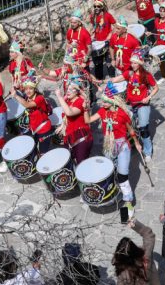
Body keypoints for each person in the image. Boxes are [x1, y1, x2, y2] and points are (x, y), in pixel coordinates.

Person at [92, 84, 139, 223]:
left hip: (122, 145)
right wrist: (84, 107)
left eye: (105, 101)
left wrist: (136, 142)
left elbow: (130, 130)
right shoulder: (102, 112)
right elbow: (88, 120)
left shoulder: (123, 114)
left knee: (123, 175)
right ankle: (114, 194)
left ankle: (129, 202)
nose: (102, 103)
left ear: (112, 101)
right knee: (110, 171)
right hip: (108, 144)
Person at [109, 51, 158, 158]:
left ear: (140, 63)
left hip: (142, 105)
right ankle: (133, 143)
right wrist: (109, 81)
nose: (133, 65)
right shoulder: (129, 73)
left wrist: (148, 97)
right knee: (128, 126)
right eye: (132, 63)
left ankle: (148, 151)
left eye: (135, 63)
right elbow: (118, 78)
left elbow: (156, 88)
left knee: (143, 128)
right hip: (130, 104)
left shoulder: (146, 75)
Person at [13, 74, 54, 152]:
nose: (28, 91)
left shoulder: (40, 98)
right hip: (34, 129)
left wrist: (15, 96)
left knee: (43, 152)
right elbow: (19, 91)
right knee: (32, 150)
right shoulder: (27, 97)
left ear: (35, 89)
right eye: (26, 89)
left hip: (44, 129)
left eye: (31, 88)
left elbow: (27, 105)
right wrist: (15, 87)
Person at [56, 80, 92, 165]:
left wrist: (59, 97)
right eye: (68, 89)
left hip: (80, 138)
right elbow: (66, 116)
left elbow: (69, 113)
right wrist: (62, 126)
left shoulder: (80, 101)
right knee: (69, 161)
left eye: (72, 89)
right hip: (69, 138)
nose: (68, 91)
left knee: (81, 165)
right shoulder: (68, 101)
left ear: (77, 91)